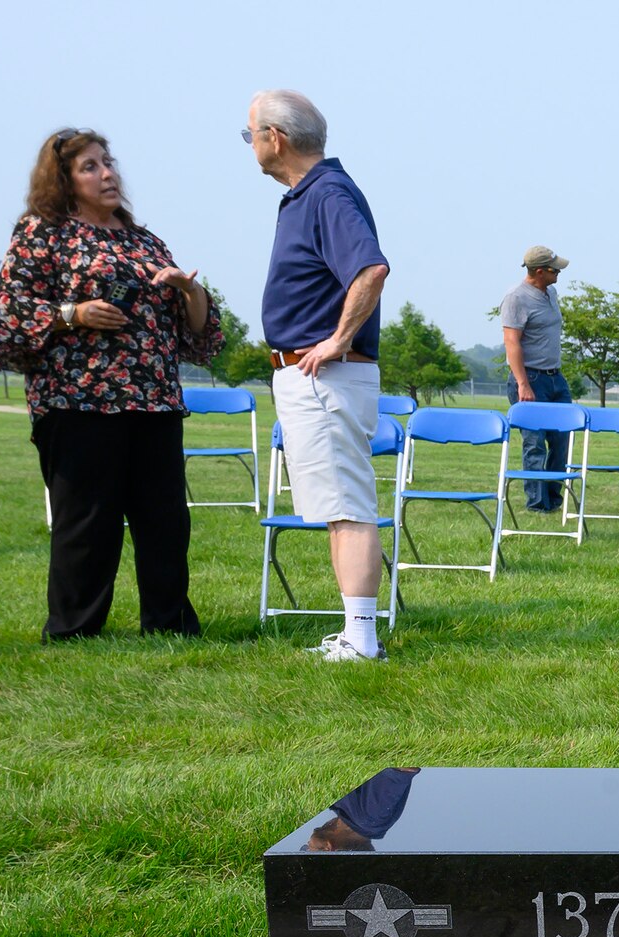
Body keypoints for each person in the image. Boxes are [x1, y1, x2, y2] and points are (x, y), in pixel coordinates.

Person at [0, 128, 220, 641]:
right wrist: (74, 313)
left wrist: (189, 289)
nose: (107, 173)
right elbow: (7, 313)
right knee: (87, 526)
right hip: (77, 402)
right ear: (63, 179)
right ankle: (74, 631)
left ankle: (170, 625)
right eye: (90, 166)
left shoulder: (144, 241)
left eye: (107, 162)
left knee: (166, 524)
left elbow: (198, 332)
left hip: (153, 402)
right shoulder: (43, 233)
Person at [248, 89, 391, 662]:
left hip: (324, 375)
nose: (250, 143)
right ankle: (354, 633)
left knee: (348, 505)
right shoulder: (309, 193)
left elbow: (371, 268)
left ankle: (361, 639)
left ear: (274, 138)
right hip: (312, 377)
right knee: (337, 506)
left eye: (249, 132)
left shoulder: (325, 193)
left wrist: (337, 338)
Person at [501, 246, 571, 513]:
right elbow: (512, 343)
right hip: (530, 378)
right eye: (555, 269)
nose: (559, 272)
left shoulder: (550, 292)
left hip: (556, 378)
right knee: (534, 443)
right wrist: (523, 384)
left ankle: (554, 500)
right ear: (539, 272)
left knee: (561, 440)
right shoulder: (516, 298)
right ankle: (537, 505)